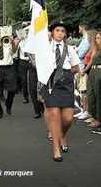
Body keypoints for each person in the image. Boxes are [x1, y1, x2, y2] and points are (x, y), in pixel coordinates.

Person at [41, 22, 80, 162]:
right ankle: (56, 148)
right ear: (51, 33)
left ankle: (62, 135)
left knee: (68, 119)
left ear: (65, 34)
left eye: (62, 31)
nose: (60, 33)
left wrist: (65, 74)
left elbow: (76, 67)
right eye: (57, 30)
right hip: (51, 83)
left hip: (66, 83)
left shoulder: (69, 49)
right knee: (55, 114)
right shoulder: (44, 48)